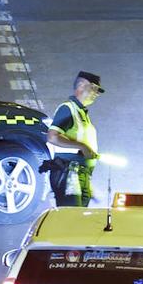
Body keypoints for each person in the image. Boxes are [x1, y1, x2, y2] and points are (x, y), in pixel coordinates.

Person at [45, 71, 103, 207]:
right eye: (94, 88)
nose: (97, 93)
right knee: (71, 220)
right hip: (69, 173)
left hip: (80, 175)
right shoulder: (68, 109)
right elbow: (52, 137)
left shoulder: (81, 112)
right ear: (81, 85)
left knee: (78, 221)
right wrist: (82, 146)